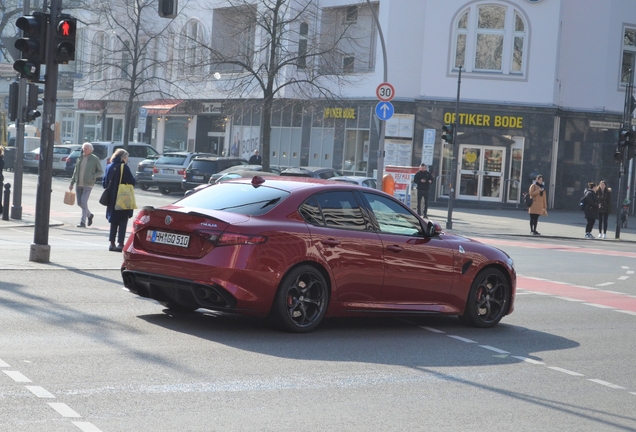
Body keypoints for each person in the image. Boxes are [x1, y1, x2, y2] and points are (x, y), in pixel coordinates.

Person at [103, 149, 136, 252]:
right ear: (123, 157)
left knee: (113, 221)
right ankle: (120, 244)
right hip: (122, 197)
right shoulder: (123, 167)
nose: (127, 160)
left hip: (111, 199)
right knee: (123, 221)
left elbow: (104, 183)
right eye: (127, 158)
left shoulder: (109, 166)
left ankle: (111, 243)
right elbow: (131, 181)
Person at [69, 142, 103, 228]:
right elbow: (75, 171)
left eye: (86, 149)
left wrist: (92, 177)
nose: (84, 150)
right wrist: (72, 182)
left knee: (84, 202)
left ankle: (82, 222)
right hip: (78, 183)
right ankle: (90, 215)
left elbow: (100, 171)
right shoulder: (79, 158)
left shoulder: (95, 159)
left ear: (91, 150)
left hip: (88, 184)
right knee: (79, 203)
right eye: (83, 148)